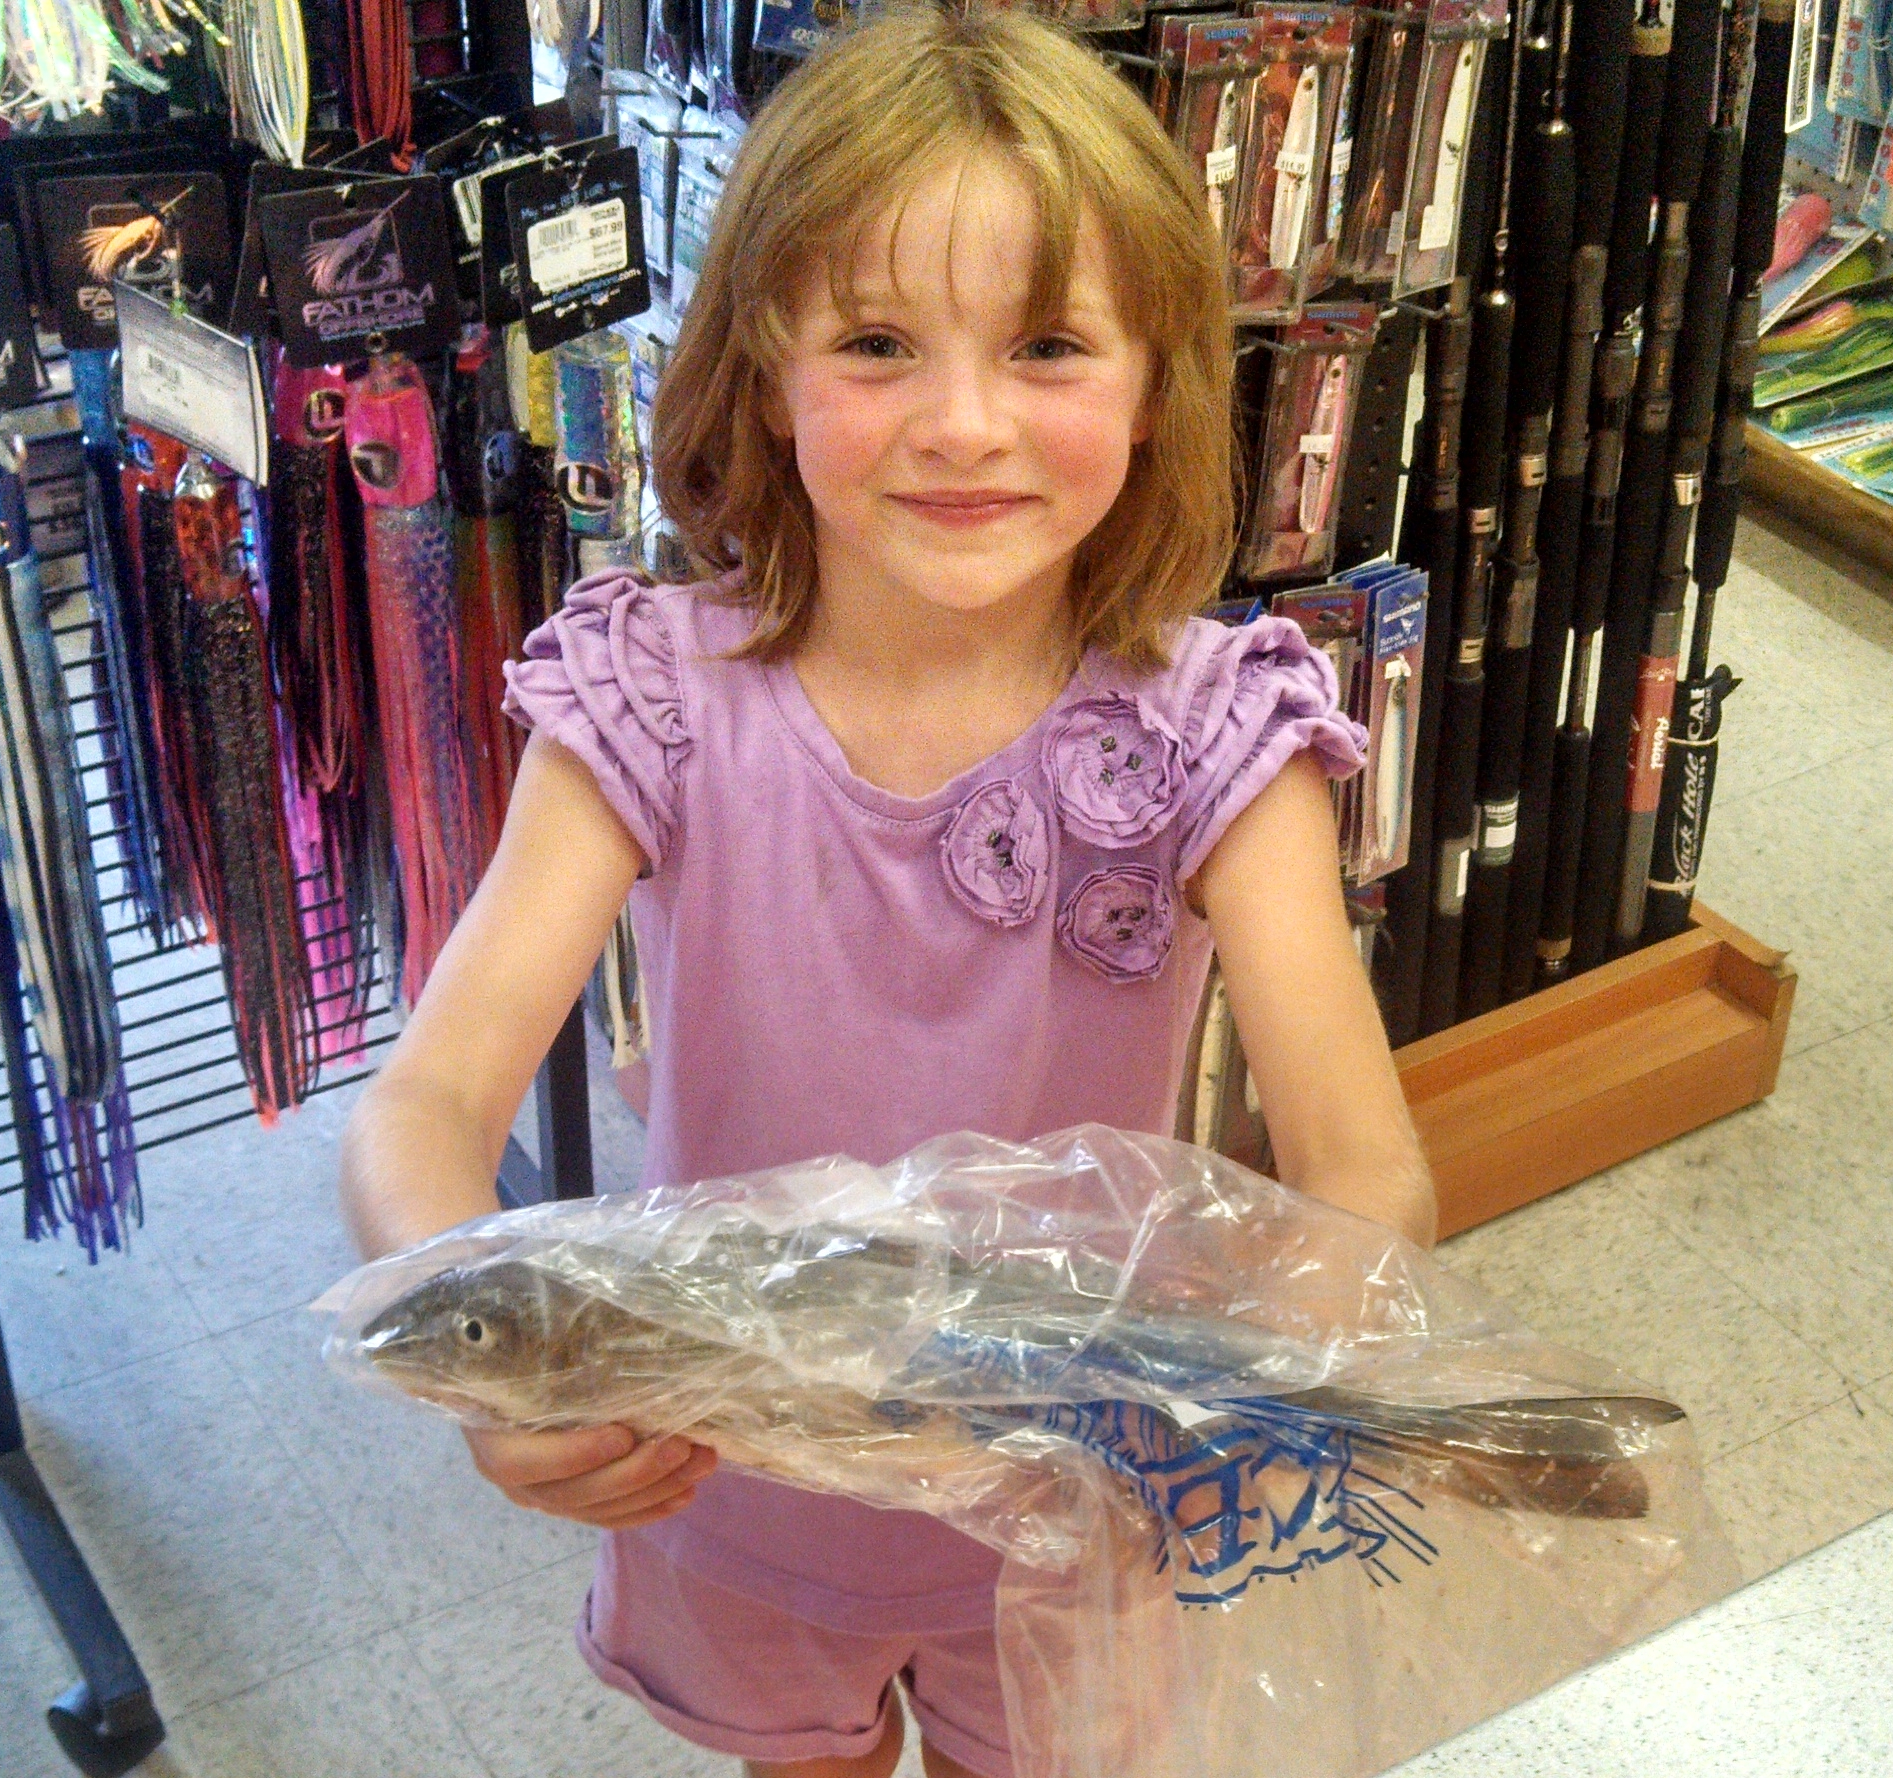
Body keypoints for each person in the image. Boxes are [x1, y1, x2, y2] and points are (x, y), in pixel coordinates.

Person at [337, 7, 1436, 1775]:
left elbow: (1364, 1165)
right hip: (732, 1499)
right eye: (875, 341)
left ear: (1160, 383)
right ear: (763, 361)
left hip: (1079, 1524)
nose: (965, 425)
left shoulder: (1220, 734)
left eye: (1052, 345)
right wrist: (489, 1347)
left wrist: (1244, 1397)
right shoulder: (653, 702)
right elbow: (432, 1098)